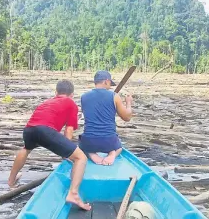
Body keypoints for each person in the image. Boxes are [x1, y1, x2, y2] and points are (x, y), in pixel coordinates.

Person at [7, 80, 91, 211]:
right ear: (72, 94)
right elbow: (68, 131)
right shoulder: (71, 103)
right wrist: (67, 153)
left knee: (26, 149)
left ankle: (11, 181)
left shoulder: (47, 102)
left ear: (56, 92)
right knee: (81, 158)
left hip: (29, 129)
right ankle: (73, 194)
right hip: (44, 130)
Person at [80, 70, 133, 165]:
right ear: (106, 81)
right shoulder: (114, 96)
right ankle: (112, 153)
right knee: (119, 148)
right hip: (109, 140)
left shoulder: (84, 97)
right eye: (109, 84)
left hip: (89, 140)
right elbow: (127, 117)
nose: (110, 87)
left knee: (84, 147)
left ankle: (91, 153)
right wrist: (128, 102)